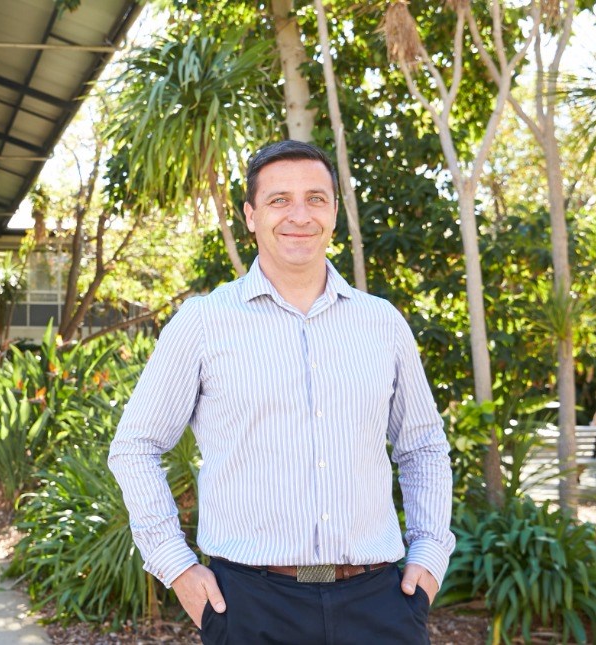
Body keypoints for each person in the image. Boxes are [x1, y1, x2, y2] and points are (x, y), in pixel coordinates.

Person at [108, 140, 455, 644]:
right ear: (251, 216)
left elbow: (423, 447)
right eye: (279, 200)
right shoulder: (203, 322)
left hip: (379, 603)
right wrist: (175, 566)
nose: (300, 215)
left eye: (316, 198)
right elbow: (135, 446)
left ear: (334, 212)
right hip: (251, 607)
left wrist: (430, 554)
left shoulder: (382, 322)